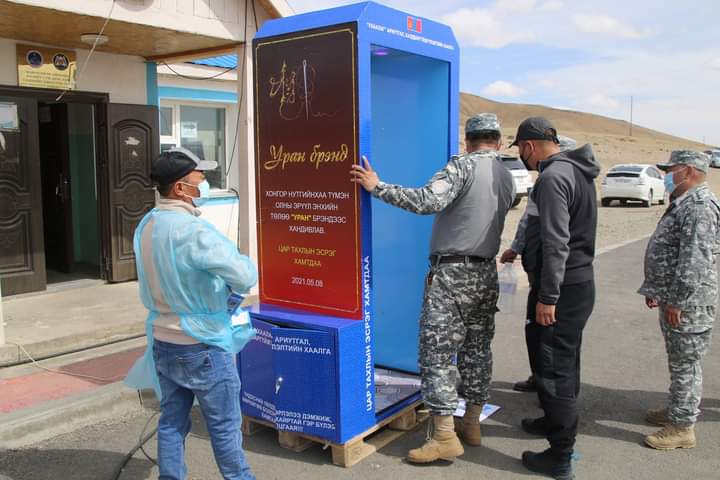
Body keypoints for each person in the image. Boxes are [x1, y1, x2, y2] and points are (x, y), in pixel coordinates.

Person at [350, 113, 515, 463]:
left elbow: (428, 200)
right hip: (485, 273)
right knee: (477, 349)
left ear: (468, 142)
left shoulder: (461, 167)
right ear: (498, 142)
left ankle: (443, 435)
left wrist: (376, 186)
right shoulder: (506, 174)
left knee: (437, 353)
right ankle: (471, 423)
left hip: (452, 274)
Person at [125, 147, 258, 480]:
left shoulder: (146, 225)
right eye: (200, 177)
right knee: (225, 427)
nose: (206, 182)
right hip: (202, 344)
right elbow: (244, 276)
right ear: (180, 188)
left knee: (171, 421)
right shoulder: (193, 231)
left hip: (162, 340)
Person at [508, 117, 599, 480]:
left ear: (529, 146)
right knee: (564, 359)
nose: (523, 158)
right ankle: (552, 420)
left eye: (520, 151)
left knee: (553, 368)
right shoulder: (578, 170)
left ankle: (560, 455)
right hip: (576, 285)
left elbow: (557, 241)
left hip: (560, 290)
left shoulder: (552, 177)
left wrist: (548, 296)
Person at [639, 150, 719, 450]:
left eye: (670, 170)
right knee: (679, 361)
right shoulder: (685, 203)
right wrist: (657, 291)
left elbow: (694, 260)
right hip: (676, 297)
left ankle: (682, 427)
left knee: (687, 364)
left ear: (687, 171)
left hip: (690, 304)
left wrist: (678, 301)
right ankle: (677, 410)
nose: (666, 175)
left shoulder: (699, 207)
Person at [501, 135, 578, 394]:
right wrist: (516, 247)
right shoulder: (546, 184)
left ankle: (554, 395)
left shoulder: (559, 182)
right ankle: (541, 379)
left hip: (552, 275)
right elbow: (527, 220)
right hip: (540, 271)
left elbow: (558, 240)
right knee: (537, 331)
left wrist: (549, 293)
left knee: (551, 336)